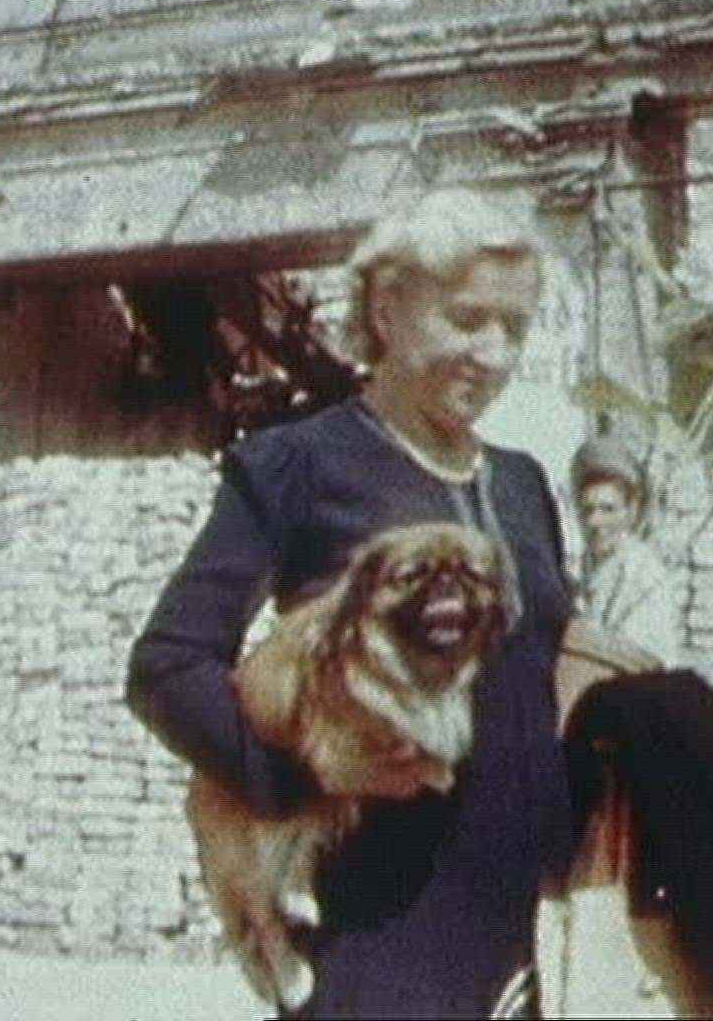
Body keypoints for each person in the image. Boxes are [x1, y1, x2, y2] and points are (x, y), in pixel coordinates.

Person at [125, 189, 575, 1019]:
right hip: (377, 940)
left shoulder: (523, 485)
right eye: (467, 319)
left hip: (534, 937)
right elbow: (166, 666)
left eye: (515, 328)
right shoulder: (298, 466)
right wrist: (300, 774)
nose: (493, 353)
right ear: (388, 307)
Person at [569, 434, 681, 665]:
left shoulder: (644, 575)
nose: (595, 521)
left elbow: (643, 660)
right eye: (588, 509)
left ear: (630, 512)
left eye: (608, 509)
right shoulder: (581, 567)